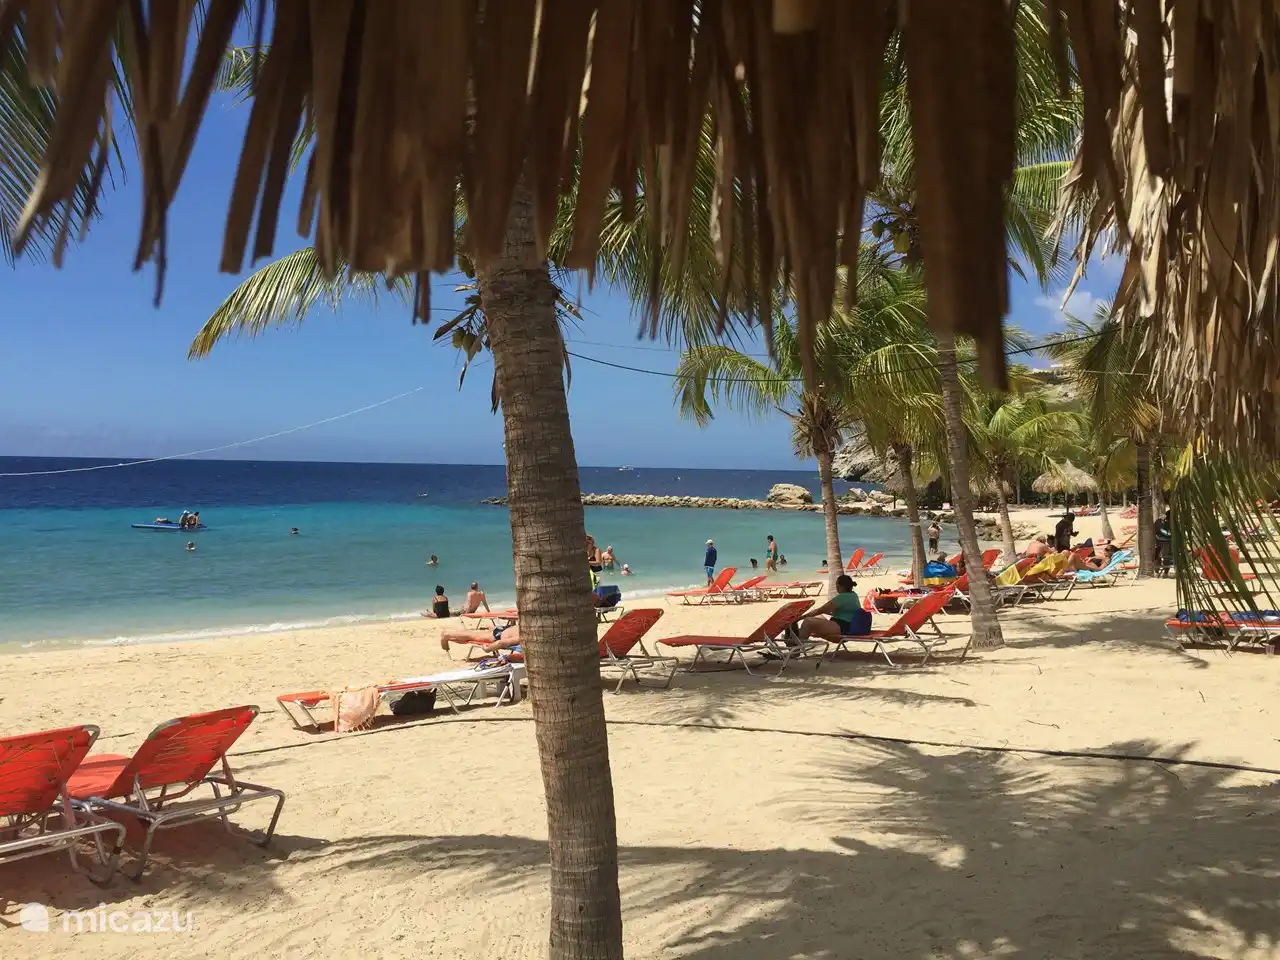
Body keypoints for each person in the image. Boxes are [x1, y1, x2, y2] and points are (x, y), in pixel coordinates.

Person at [797, 575, 868, 641]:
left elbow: (820, 610)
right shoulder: (853, 595)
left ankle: (798, 647)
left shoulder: (842, 597)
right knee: (818, 617)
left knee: (808, 622)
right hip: (847, 625)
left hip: (843, 627)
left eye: (837, 585)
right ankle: (798, 637)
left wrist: (799, 618)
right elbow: (829, 611)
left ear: (841, 586)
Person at [1155, 509, 1172, 575]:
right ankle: (1159, 572)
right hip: (1161, 541)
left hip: (1165, 541)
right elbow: (1161, 530)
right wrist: (1169, 534)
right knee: (1161, 557)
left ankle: (1164, 572)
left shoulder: (1169, 521)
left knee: (1165, 557)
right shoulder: (1160, 522)